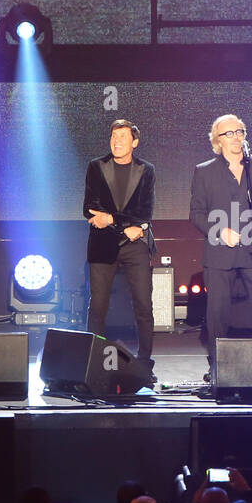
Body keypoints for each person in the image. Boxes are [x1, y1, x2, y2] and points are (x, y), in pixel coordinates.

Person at [189, 114, 252, 379]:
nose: (236, 138)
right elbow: (196, 214)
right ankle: (219, 367)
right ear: (217, 141)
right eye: (228, 133)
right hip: (220, 253)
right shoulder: (204, 171)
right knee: (217, 310)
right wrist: (220, 231)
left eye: (239, 132)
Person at [82, 119, 157, 377]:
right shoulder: (96, 166)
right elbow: (89, 209)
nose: (117, 141)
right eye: (114, 136)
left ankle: (145, 363)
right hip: (104, 244)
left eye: (123, 137)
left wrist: (112, 220)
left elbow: (144, 212)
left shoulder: (147, 170)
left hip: (136, 244)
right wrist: (124, 225)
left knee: (143, 305)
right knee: (98, 305)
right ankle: (94, 363)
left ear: (134, 142)